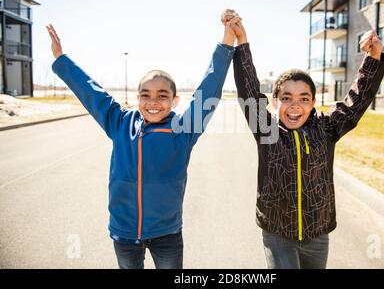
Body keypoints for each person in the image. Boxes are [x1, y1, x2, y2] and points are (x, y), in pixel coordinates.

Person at [46, 13, 240, 269]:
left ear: (174, 101)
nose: (153, 102)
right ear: (137, 98)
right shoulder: (120, 122)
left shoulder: (184, 128)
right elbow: (90, 91)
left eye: (162, 95)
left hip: (166, 234)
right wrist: (61, 59)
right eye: (145, 95)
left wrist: (227, 41)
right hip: (124, 232)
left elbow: (209, 88)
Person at [223, 10, 384, 269]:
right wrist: (242, 40)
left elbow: (356, 102)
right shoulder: (267, 131)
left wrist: (373, 58)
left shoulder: (327, 129)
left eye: (303, 98)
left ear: (313, 102)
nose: (294, 106)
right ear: (275, 101)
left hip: (317, 235)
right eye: (286, 98)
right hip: (278, 234)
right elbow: (248, 91)